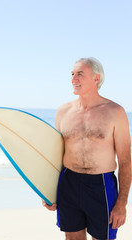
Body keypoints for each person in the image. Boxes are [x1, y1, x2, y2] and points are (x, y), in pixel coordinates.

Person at [42, 57, 131, 240]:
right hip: (69, 182)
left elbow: (125, 160)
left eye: (80, 74)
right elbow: (55, 156)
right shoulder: (63, 111)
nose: (74, 78)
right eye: (72, 74)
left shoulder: (115, 112)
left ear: (96, 78)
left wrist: (121, 204)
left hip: (101, 185)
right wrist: (48, 191)